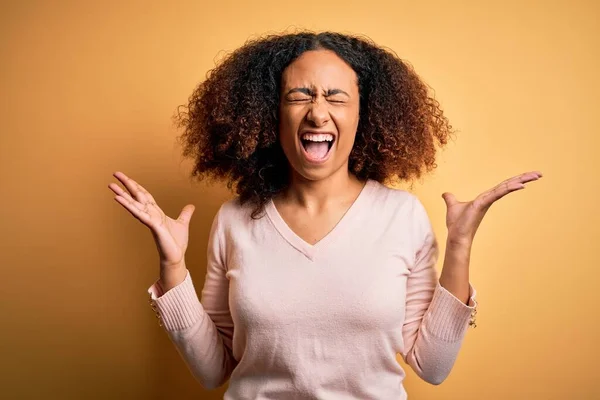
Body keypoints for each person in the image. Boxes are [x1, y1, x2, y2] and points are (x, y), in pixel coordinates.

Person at [108, 31, 542, 399]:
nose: (318, 112)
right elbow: (212, 370)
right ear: (270, 115)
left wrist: (460, 247)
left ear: (363, 116)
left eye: (336, 97)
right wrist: (172, 267)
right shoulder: (235, 220)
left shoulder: (402, 216)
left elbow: (432, 366)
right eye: (299, 96)